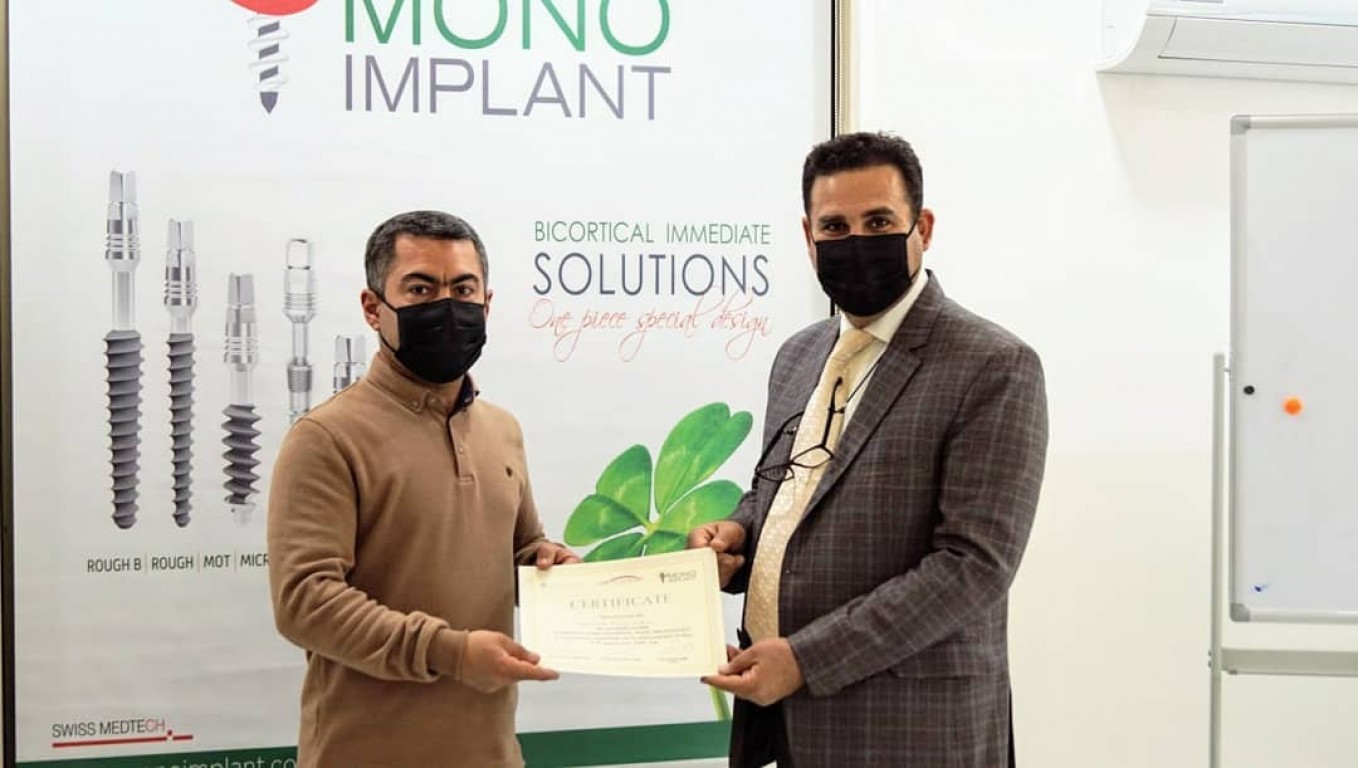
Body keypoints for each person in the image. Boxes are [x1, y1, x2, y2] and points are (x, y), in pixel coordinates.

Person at [689, 132, 1048, 767]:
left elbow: (973, 566)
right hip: (781, 723)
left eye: (878, 222)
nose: (855, 242)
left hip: (909, 732)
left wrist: (805, 660)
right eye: (835, 227)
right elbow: (785, 492)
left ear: (922, 228)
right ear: (808, 237)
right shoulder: (799, 355)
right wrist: (737, 534)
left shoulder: (993, 365)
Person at [268, 210, 578, 768]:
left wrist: (546, 565)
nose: (447, 306)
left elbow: (520, 550)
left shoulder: (502, 429)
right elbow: (305, 601)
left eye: (463, 289)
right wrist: (450, 652)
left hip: (491, 754)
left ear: (487, 303)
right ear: (373, 308)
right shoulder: (326, 437)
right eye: (420, 289)